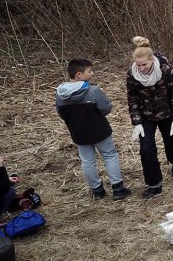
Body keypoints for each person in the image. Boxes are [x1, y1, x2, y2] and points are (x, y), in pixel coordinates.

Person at [56, 58, 132, 200]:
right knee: (110, 156)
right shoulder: (93, 91)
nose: (92, 74)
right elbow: (106, 108)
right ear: (79, 74)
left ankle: (97, 191)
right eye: (89, 71)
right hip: (100, 132)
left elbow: (61, 114)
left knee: (87, 161)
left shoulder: (60, 95)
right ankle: (118, 188)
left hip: (79, 134)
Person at [126, 36, 173, 199]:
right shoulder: (132, 74)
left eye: (144, 64)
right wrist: (136, 122)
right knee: (146, 149)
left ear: (152, 59)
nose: (142, 68)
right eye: (138, 65)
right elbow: (132, 99)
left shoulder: (166, 70)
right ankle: (154, 185)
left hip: (166, 112)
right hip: (146, 115)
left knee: (171, 140)